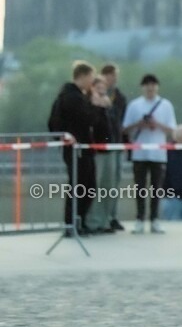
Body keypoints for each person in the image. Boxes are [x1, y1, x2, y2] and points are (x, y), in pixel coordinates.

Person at [48, 61, 98, 236]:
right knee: (82, 186)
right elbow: (88, 119)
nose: (92, 83)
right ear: (82, 76)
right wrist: (95, 104)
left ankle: (76, 222)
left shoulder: (65, 96)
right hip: (78, 149)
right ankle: (74, 223)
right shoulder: (73, 98)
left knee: (82, 185)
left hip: (78, 149)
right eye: (91, 78)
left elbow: (52, 123)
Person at [122, 74, 177, 234]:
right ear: (142, 87)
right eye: (147, 85)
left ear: (157, 87)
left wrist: (156, 124)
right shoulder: (135, 105)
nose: (150, 88)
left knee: (156, 187)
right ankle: (140, 218)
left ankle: (154, 219)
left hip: (158, 152)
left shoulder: (165, 105)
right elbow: (125, 127)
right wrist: (140, 124)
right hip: (140, 151)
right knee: (139, 187)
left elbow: (172, 129)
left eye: (153, 85)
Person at [85, 75, 116, 234]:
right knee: (95, 187)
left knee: (107, 187)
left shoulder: (108, 106)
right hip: (97, 150)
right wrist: (96, 104)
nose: (102, 91)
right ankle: (92, 221)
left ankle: (105, 220)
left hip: (109, 148)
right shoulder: (91, 105)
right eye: (98, 88)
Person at [101, 63, 129, 231]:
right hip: (103, 144)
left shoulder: (119, 97)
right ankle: (101, 218)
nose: (114, 79)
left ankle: (112, 216)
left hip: (117, 143)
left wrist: (125, 143)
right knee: (104, 183)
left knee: (115, 183)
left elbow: (123, 122)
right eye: (111, 76)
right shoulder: (96, 94)